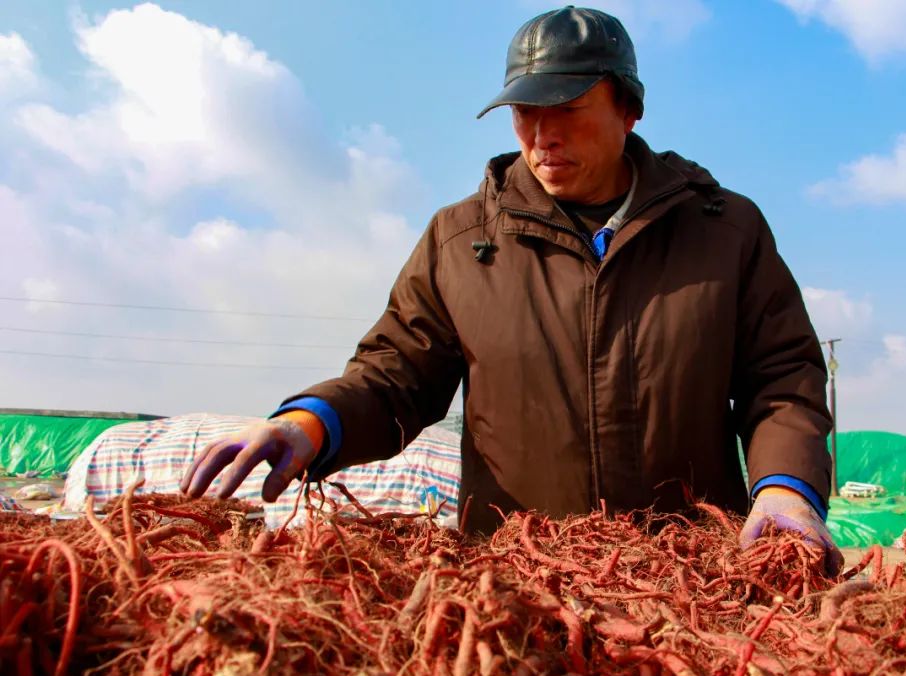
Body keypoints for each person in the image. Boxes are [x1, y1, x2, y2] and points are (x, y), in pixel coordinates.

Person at [181, 6, 844, 573]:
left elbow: (781, 380)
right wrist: (310, 423)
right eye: (524, 111)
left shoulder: (723, 232)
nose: (541, 135)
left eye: (567, 109)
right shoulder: (463, 243)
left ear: (628, 109)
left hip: (692, 579)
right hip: (517, 587)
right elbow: (394, 378)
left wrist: (786, 488)